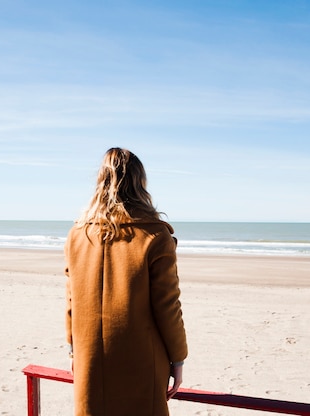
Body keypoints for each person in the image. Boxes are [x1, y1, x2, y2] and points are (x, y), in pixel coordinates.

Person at [64, 147, 188, 416]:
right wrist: (178, 359)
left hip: (90, 357)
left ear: (101, 182)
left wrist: (74, 350)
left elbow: (72, 300)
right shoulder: (154, 235)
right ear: (140, 183)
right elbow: (167, 306)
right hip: (141, 360)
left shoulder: (78, 234)